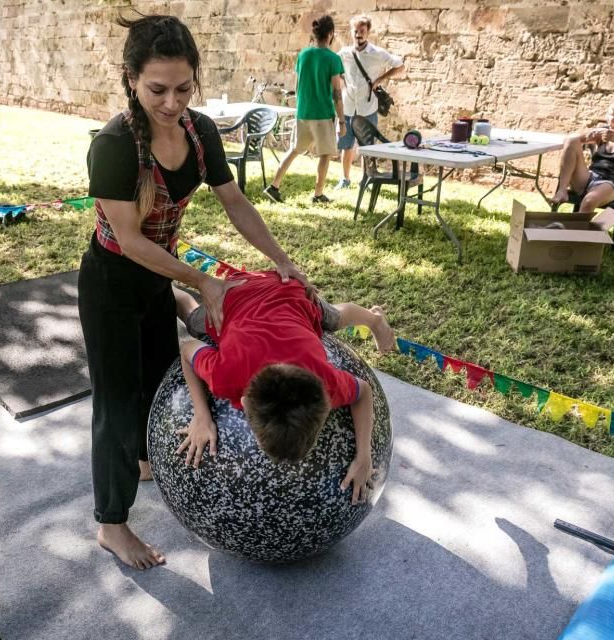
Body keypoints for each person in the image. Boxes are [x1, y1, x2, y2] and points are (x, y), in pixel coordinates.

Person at [83, 14, 311, 570]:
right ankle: (112, 525)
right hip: (113, 280)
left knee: (163, 375)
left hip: (158, 278)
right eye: (157, 89)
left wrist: (282, 261)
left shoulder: (200, 132)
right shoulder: (114, 146)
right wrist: (202, 281)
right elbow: (132, 241)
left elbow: (235, 203)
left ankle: (143, 459)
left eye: (184, 88)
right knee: (115, 403)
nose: (171, 101)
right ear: (131, 80)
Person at [171, 272, 395, 505]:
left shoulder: (325, 382)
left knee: (333, 318)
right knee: (192, 319)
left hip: (291, 292)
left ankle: (374, 320)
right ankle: (172, 291)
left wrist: (364, 455)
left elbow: (363, 392)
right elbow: (188, 349)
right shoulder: (225, 375)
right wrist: (201, 415)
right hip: (234, 295)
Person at [263, 15, 345, 205]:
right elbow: (336, 93)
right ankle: (318, 195)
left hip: (303, 112)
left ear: (314, 34)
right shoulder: (333, 59)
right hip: (323, 114)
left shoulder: (303, 55)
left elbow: (298, 84)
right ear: (331, 34)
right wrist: (342, 121)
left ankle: (274, 186)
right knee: (325, 154)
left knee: (294, 150)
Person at [335, 14, 405, 190]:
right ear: (351, 32)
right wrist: (343, 81)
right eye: (355, 31)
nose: (358, 34)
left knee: (367, 148)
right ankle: (345, 179)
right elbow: (334, 69)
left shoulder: (377, 53)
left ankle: (365, 180)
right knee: (346, 146)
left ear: (368, 32)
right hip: (348, 106)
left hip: (368, 108)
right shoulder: (343, 53)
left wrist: (379, 80)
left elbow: (400, 65)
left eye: (362, 31)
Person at [550, 95, 614, 213]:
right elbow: (572, 141)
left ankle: (577, 230)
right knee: (571, 140)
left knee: (589, 201)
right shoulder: (603, 132)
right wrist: (589, 133)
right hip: (588, 176)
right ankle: (562, 191)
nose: (606, 117)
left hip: (610, 184)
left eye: (610, 114)